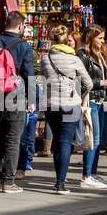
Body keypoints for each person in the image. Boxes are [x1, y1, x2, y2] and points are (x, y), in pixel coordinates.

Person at [0, 10, 35, 194]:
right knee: (13, 138)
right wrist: (32, 99)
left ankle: (2, 173)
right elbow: (29, 74)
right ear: (20, 26)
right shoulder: (23, 46)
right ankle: (9, 181)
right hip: (15, 95)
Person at [40, 26, 92, 194]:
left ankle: (59, 179)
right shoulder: (74, 59)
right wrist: (78, 92)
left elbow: (43, 79)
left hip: (50, 105)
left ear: (53, 40)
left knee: (57, 140)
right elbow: (89, 83)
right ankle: (60, 182)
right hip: (70, 105)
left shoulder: (46, 58)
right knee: (64, 142)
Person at [76, 25, 107, 188]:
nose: (103, 41)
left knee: (98, 139)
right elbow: (81, 81)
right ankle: (86, 176)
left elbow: (106, 76)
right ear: (90, 38)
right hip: (90, 100)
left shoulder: (99, 54)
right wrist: (102, 83)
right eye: (99, 38)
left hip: (100, 100)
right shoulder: (83, 55)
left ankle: (93, 173)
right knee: (92, 139)